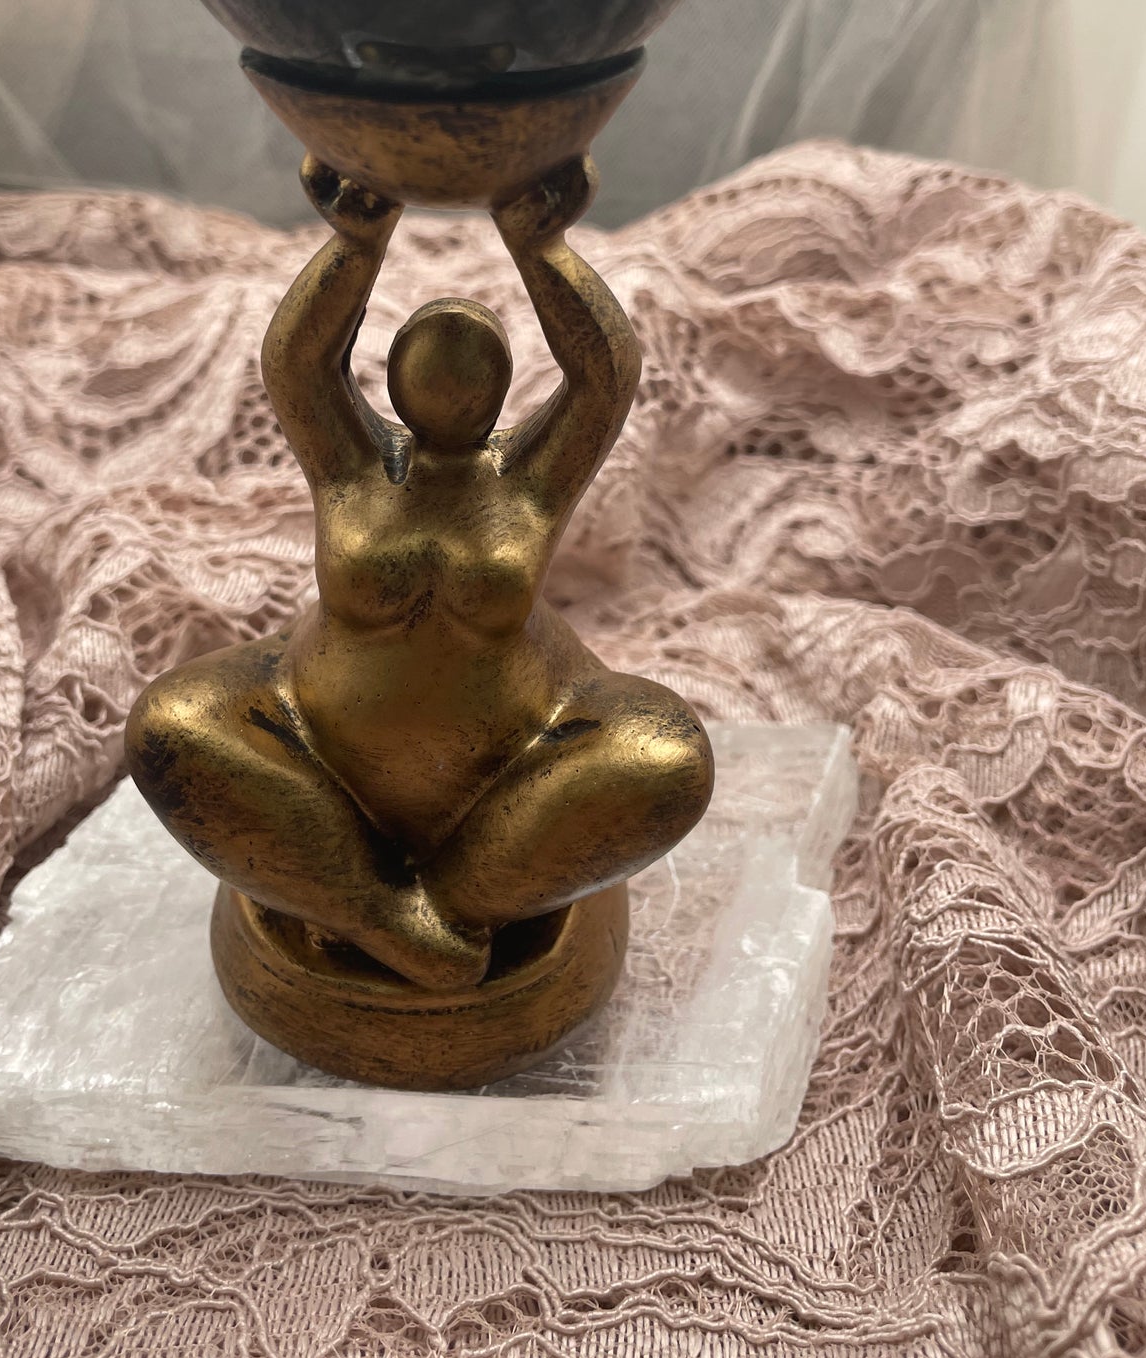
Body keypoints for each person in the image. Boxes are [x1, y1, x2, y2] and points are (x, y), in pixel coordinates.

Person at [127, 152, 712, 989]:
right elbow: (297, 365)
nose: (449, 384)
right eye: (429, 364)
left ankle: (452, 904)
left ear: (501, 385)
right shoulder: (354, 467)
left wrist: (541, 247)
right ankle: (380, 913)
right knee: (172, 722)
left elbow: (604, 377)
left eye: (472, 369)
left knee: (666, 754)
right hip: (321, 750)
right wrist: (355, 243)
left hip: (509, 767)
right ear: (395, 378)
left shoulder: (528, 484)